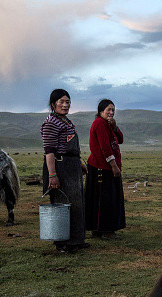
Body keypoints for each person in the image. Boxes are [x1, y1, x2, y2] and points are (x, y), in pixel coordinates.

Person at [41, 89, 89, 253]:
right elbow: (50, 152)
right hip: (59, 166)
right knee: (63, 203)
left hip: (71, 166)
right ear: (53, 103)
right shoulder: (50, 123)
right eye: (61, 101)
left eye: (68, 102)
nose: (65, 105)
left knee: (76, 203)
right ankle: (63, 243)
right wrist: (52, 175)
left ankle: (76, 240)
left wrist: (79, 164)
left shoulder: (66, 121)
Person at [85, 99, 126, 239]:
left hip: (100, 166)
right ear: (101, 111)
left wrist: (115, 127)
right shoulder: (100, 124)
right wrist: (114, 166)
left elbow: (120, 140)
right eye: (108, 109)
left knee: (98, 198)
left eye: (113, 110)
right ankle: (107, 230)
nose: (111, 112)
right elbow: (104, 148)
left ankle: (97, 228)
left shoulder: (107, 124)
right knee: (106, 199)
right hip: (102, 167)